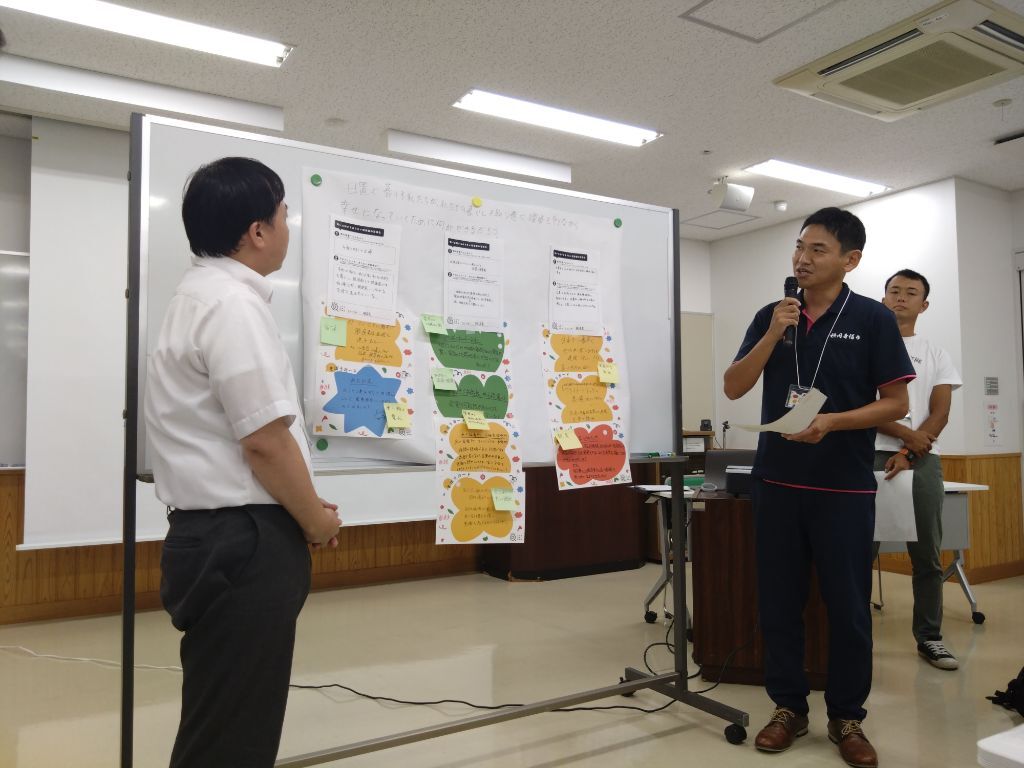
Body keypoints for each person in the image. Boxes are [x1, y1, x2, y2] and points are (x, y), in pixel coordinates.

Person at [145, 157, 342, 768]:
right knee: (234, 737)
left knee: (222, 722)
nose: (288, 228)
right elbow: (264, 441)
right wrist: (316, 520)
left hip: (219, 536)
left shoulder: (198, 297)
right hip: (244, 542)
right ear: (257, 231)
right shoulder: (231, 304)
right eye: (284, 215)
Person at [724, 207, 915, 768]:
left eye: (818, 249)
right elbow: (734, 386)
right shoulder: (772, 314)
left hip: (843, 488)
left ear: (850, 260)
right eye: (799, 247)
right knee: (779, 600)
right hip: (777, 483)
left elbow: (896, 403)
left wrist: (832, 421)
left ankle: (847, 716)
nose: (802, 259)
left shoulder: (873, 318)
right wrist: (773, 333)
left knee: (848, 606)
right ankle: (788, 708)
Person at [875, 269, 962, 670]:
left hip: (923, 459)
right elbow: (858, 407)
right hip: (871, 455)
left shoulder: (936, 353)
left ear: (923, 305)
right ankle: (850, 636)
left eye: (911, 293)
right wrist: (903, 435)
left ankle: (929, 637)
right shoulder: (868, 347)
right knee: (858, 552)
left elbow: (939, 413)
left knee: (926, 555)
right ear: (883, 299)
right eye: (894, 291)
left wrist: (909, 452)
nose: (901, 298)